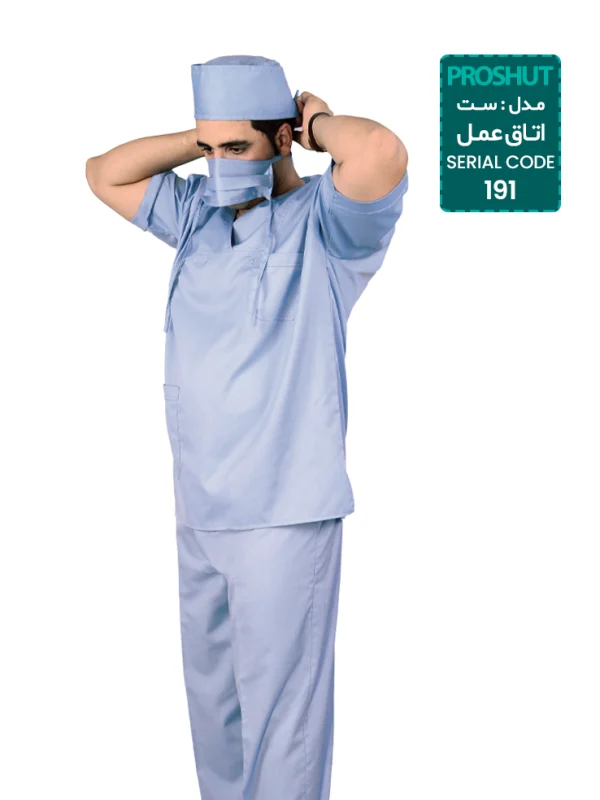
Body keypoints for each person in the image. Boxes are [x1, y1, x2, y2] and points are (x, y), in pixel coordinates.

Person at [86, 54, 409, 800]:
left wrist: (315, 122)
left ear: (281, 139)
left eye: (238, 148)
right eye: (210, 151)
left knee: (282, 726)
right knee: (218, 721)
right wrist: (208, 137)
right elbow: (103, 174)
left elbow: (381, 151)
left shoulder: (328, 228)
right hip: (200, 509)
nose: (220, 165)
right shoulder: (197, 215)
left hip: (282, 515)